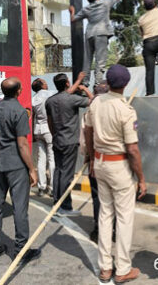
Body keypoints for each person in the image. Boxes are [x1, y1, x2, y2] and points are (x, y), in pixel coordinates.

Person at [84, 64, 146, 283]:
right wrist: (141, 178)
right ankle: (122, 269)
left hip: (100, 163)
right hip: (119, 167)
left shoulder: (95, 103)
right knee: (124, 218)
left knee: (105, 215)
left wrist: (91, 159)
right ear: (126, 84)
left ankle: (105, 268)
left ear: (108, 83)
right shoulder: (126, 110)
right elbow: (133, 149)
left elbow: (88, 132)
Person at [0, 78, 41, 264]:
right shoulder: (19, 111)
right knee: (19, 207)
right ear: (19, 91)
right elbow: (23, 144)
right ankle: (20, 250)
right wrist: (32, 169)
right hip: (16, 164)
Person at [45, 72, 94, 216]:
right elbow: (94, 102)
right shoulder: (73, 99)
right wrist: (85, 89)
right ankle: (65, 207)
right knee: (67, 175)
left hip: (57, 139)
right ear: (67, 83)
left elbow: (50, 123)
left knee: (58, 172)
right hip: (69, 141)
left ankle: (57, 202)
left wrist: (55, 135)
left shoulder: (50, 101)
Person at [69, 0, 123, 87]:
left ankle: (84, 83)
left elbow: (73, 19)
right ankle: (98, 84)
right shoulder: (105, 3)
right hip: (101, 33)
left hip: (89, 34)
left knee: (87, 60)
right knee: (100, 60)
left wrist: (72, 12)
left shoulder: (86, 8)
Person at [78, 82, 111, 242]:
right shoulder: (117, 107)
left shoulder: (89, 112)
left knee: (98, 197)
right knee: (114, 197)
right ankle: (115, 230)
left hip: (96, 160)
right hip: (115, 161)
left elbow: (85, 138)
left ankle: (99, 230)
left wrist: (87, 156)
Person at [31, 78, 56, 197]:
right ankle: (52, 187)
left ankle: (41, 187)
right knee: (52, 158)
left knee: (41, 159)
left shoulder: (33, 99)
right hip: (49, 129)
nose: (47, 83)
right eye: (45, 82)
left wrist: (32, 133)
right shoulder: (50, 93)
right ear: (41, 85)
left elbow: (33, 117)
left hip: (38, 129)